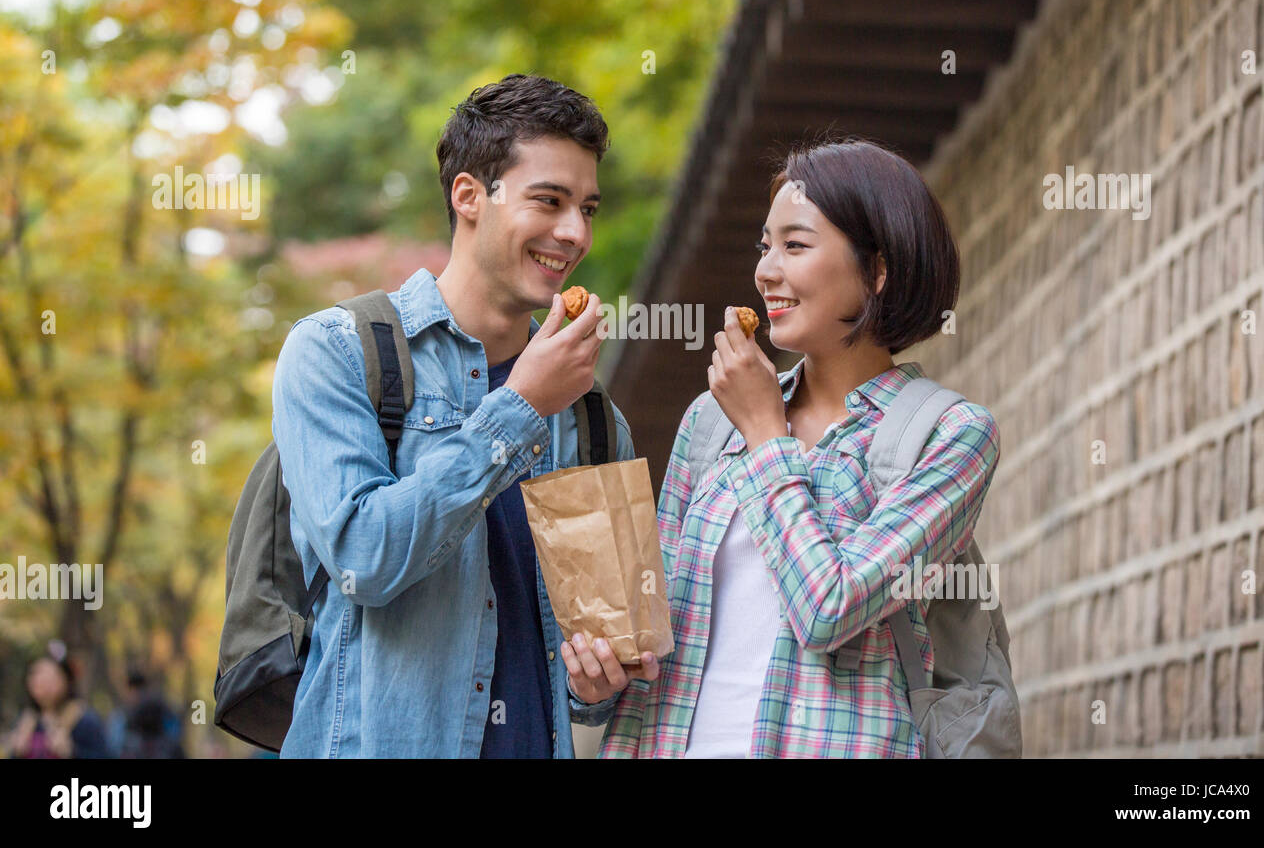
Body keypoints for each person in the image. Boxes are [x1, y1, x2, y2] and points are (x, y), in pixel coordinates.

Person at [271, 74, 660, 758]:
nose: (574, 233)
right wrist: (520, 409)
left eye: (588, 208)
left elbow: (601, 665)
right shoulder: (335, 353)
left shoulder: (595, 418)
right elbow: (365, 559)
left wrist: (597, 684)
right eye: (550, 200)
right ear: (469, 196)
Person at [598, 137, 1001, 757]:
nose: (765, 270)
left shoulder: (950, 435)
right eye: (765, 245)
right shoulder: (711, 420)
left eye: (795, 245)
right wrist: (594, 680)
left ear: (878, 270)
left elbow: (829, 606)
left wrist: (766, 436)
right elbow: (653, 629)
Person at [2, 644, 110, 759]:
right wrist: (17, 752)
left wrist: (72, 752)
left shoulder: (84, 721)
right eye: (35, 677)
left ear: (67, 680)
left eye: (49, 678)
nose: (41, 684)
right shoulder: (26, 721)